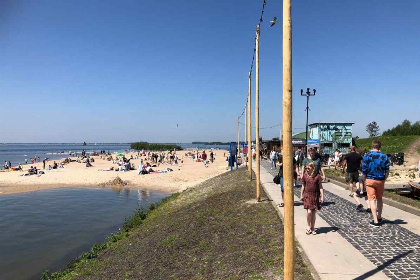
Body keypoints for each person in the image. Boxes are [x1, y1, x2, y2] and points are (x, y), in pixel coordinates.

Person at [362, 140, 390, 227]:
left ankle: (375, 221)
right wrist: (384, 179)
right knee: (379, 198)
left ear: (372, 146)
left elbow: (364, 170)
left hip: (370, 179)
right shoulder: (384, 157)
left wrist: (364, 180)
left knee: (372, 199)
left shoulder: (367, 155)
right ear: (380, 146)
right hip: (380, 180)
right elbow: (387, 171)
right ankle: (379, 216)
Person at [300, 162, 324, 235]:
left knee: (313, 212)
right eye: (306, 168)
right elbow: (303, 186)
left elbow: (320, 187)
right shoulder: (305, 176)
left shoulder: (317, 177)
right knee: (309, 211)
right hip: (307, 195)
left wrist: (322, 196)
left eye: (308, 168)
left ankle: (312, 227)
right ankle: (308, 226)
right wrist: (301, 195)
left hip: (315, 195)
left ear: (313, 168)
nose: (307, 169)